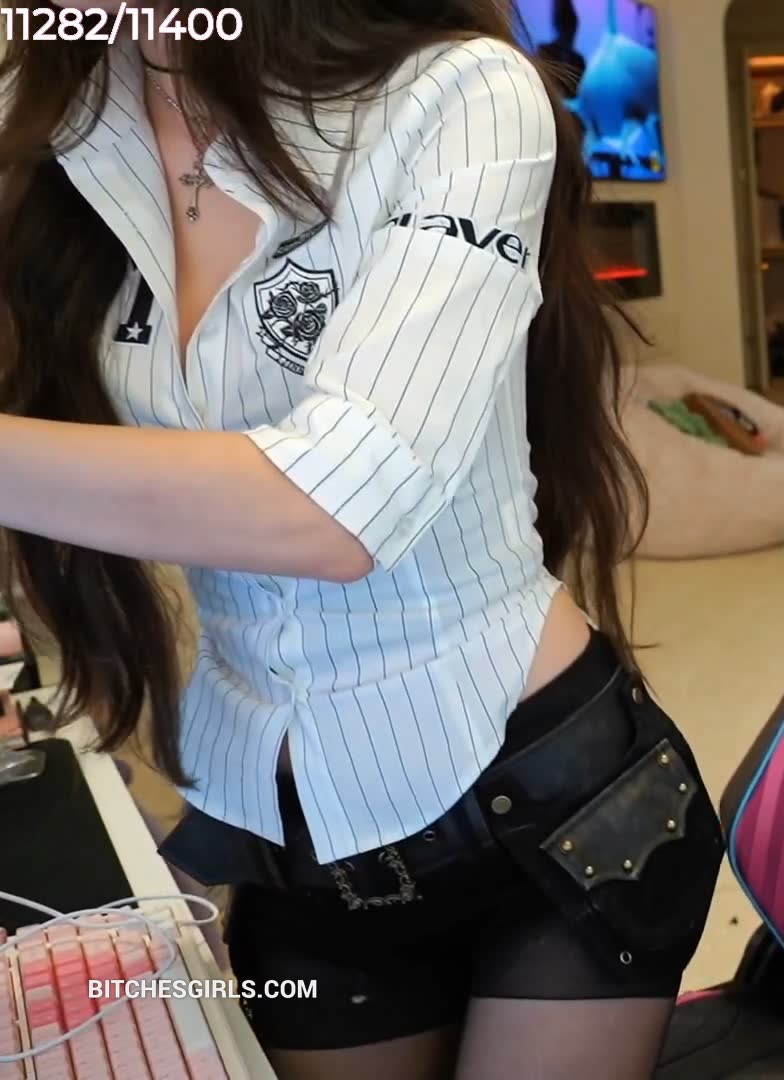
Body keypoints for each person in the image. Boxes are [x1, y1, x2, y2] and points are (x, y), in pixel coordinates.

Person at [0, 3, 723, 1078]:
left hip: (547, 813)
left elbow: (336, 506)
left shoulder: (459, 95)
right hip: (292, 839)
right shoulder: (51, 115)